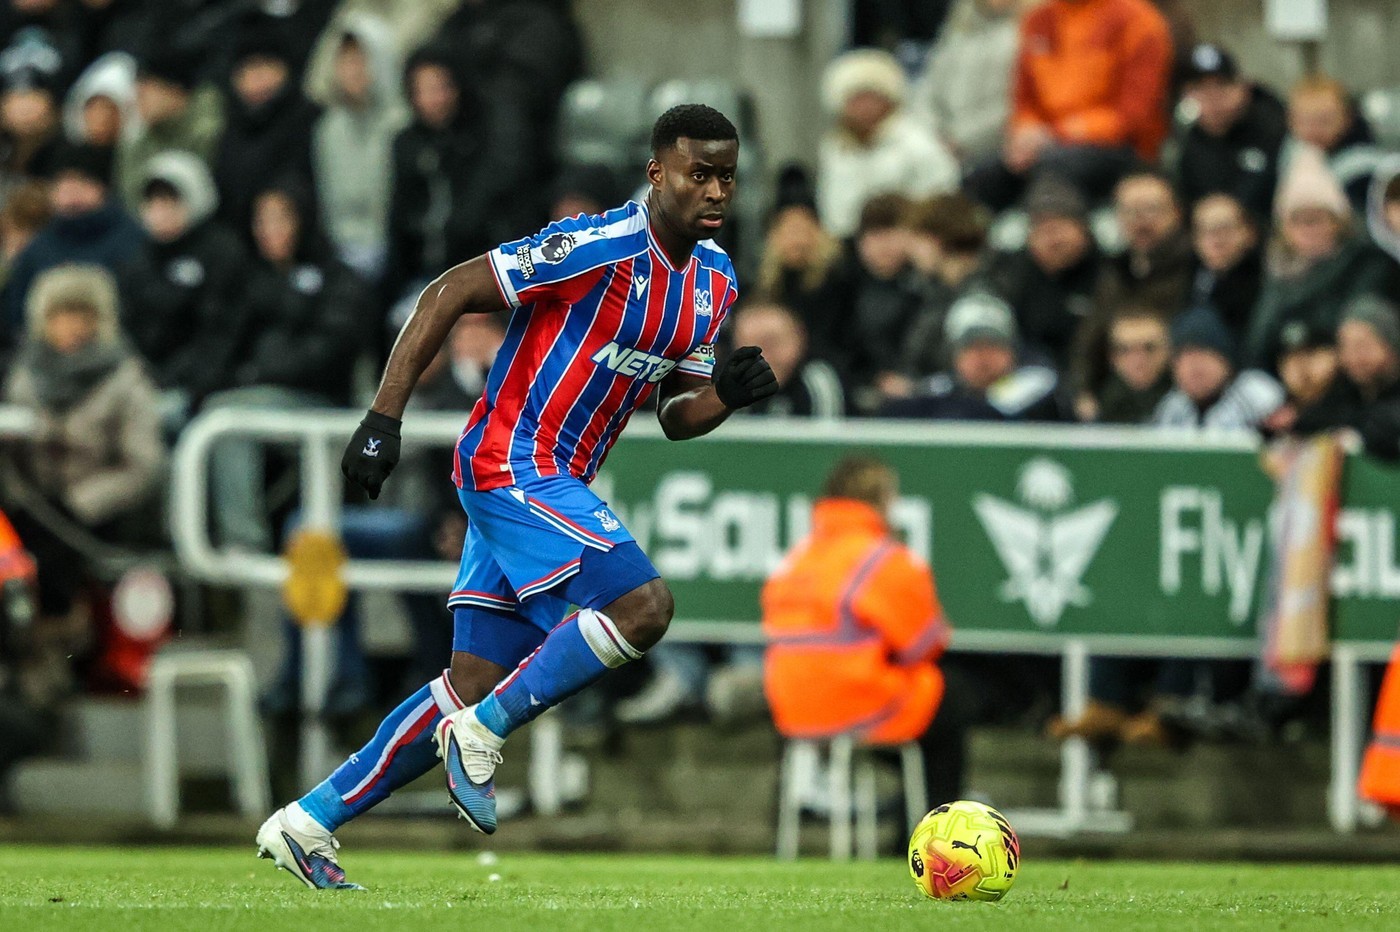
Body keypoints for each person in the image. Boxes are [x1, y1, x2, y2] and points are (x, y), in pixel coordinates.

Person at [254, 105, 779, 889]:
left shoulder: (713, 280)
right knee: (643, 607)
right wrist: (381, 418)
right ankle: (484, 736)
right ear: (656, 172)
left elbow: (676, 411)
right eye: (697, 173)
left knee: (467, 682)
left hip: (556, 479)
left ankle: (305, 823)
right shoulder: (595, 244)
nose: (714, 190)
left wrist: (726, 396)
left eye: (726, 176)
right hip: (511, 461)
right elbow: (449, 290)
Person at [761, 455, 961, 804]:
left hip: (792, 706)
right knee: (952, 700)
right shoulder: (880, 558)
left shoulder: (800, 556)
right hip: (858, 701)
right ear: (883, 500)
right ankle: (926, 829)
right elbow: (924, 645)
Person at [203, 178, 364, 552]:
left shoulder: (337, 278)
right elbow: (222, 345)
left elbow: (334, 350)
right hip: (256, 396)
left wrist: (265, 371)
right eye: (261, 221)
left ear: (304, 220)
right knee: (194, 412)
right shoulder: (247, 279)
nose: (269, 231)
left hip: (322, 402)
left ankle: (243, 544)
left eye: (279, 219)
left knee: (226, 419)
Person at [1, 263, 165, 622]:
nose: (70, 327)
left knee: (53, 555)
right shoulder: (26, 373)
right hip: (32, 502)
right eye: (59, 315)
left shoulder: (124, 378)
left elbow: (143, 465)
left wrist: (79, 503)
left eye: (80, 315)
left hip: (94, 509)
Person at [964, 0, 1173, 210]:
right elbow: (1025, 100)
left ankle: (1057, 238)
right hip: (1047, 144)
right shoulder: (1038, 20)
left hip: (1119, 149)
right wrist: (1026, 133)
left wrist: (1056, 133)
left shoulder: (1137, 20)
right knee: (983, 175)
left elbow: (1132, 116)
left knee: (1052, 167)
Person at [117, 150, 249, 430]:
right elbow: (126, 326)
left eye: (170, 200)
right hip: (145, 384)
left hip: (205, 390)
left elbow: (220, 334)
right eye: (152, 201)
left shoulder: (222, 252)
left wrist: (176, 382)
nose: (160, 211)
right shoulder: (138, 258)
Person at [1244, 146, 1395, 370]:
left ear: (1339, 222)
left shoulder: (1367, 264)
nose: (1308, 229)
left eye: (1317, 219)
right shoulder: (1277, 270)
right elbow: (1257, 343)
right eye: (1298, 220)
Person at [1, 142, 142, 349]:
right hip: (43, 362)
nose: (70, 191)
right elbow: (14, 314)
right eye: (62, 182)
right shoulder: (40, 246)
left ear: (102, 186)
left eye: (81, 181)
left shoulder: (132, 241)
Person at [1072, 171, 1194, 402]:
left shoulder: (1194, 268)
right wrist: (1083, 391)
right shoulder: (1113, 270)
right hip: (1114, 395)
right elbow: (1090, 340)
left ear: (1176, 213)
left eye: (1151, 209)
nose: (1140, 220)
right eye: (1129, 211)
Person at [816, 48, 958, 238]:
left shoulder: (916, 142)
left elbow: (942, 193)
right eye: (855, 99)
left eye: (870, 97)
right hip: (850, 243)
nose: (863, 107)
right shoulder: (835, 149)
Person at [310, 13, 406, 283]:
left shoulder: (401, 126)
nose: (352, 69)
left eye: (361, 59)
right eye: (345, 59)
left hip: (394, 258)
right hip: (339, 256)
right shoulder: (328, 128)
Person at [883, 291, 1063, 422]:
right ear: (954, 355)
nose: (983, 357)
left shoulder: (1038, 383)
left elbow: (989, 413)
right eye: (971, 347)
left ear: (1011, 352)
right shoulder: (940, 388)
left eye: (993, 345)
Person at [982, 176, 1100, 372]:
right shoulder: (1013, 275)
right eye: (1041, 230)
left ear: (1084, 229)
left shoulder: (1108, 274)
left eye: (1059, 227)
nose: (1052, 240)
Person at [213, 33, 320, 236]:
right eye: (248, 69)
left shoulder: (307, 119)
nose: (257, 78)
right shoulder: (230, 126)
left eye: (265, 66)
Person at [1172, 43, 1287, 219]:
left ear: (1244, 87)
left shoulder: (1276, 129)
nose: (1213, 98)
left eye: (1222, 85)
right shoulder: (1185, 140)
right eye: (1199, 88)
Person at [752, 169, 849, 371]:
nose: (796, 239)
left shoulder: (839, 280)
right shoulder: (767, 284)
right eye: (788, 230)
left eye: (803, 229)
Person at [910, 0, 1024, 168]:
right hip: (936, 146)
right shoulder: (956, 34)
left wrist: (961, 139)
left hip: (991, 149)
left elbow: (1015, 102)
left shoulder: (1025, 34)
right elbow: (928, 89)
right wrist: (930, 135)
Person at [114, 45, 224, 212]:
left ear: (174, 90)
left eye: (146, 90)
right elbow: (131, 200)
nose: (137, 99)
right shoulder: (139, 141)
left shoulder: (212, 129)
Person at [899, 192, 991, 384]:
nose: (911, 251)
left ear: (938, 239)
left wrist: (916, 388)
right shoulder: (934, 292)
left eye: (918, 239)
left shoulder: (984, 293)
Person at [1153, 305, 1283, 430]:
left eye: (1203, 352)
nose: (1194, 365)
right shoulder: (1171, 408)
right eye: (1184, 356)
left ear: (1226, 361)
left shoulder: (1257, 393)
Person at [1281, 74, 1384, 214]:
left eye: (1324, 121)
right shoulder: (1290, 150)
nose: (1313, 130)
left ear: (1348, 118)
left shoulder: (1366, 167)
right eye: (1303, 121)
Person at [729, 301, 845, 418]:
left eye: (772, 344)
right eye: (747, 348)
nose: (762, 358)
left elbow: (826, 434)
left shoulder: (818, 381)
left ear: (799, 340)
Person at [1187, 193, 1263, 347]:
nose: (1216, 239)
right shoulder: (1190, 278)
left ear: (1249, 233)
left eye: (1225, 228)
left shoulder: (1264, 283)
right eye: (1205, 230)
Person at [1089, 307, 1172, 423]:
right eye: (1125, 350)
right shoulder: (1099, 406)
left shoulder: (1185, 404)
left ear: (1168, 351)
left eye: (1149, 348)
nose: (1138, 360)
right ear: (1113, 357)